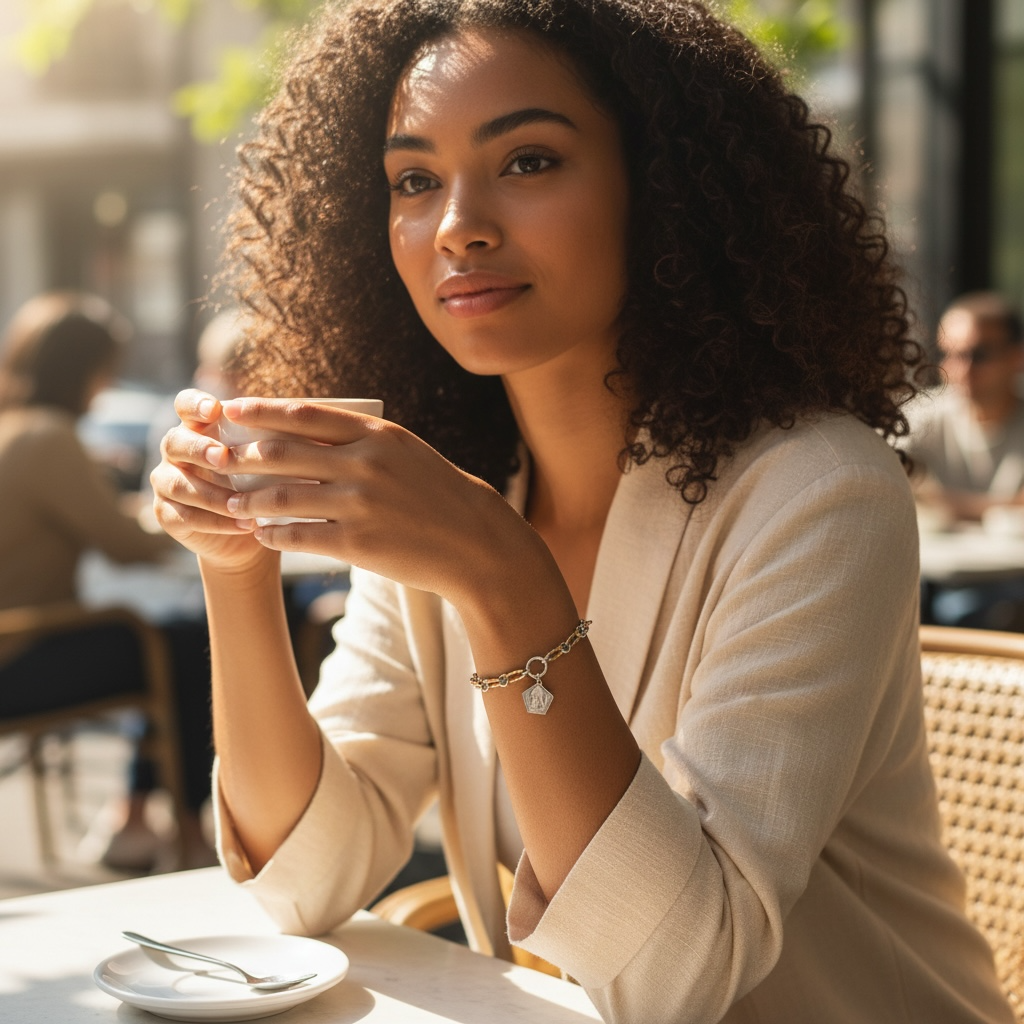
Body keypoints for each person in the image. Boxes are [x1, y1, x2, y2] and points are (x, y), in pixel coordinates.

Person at [150, 1, 1014, 1021]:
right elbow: (304, 881)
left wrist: (503, 577)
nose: (459, 224)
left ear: (661, 188)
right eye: (414, 180)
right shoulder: (457, 488)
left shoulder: (818, 489)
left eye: (527, 161)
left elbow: (677, 971)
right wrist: (236, 563)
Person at [0, 291, 214, 871]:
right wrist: (195, 514)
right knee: (186, 644)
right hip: (19, 657)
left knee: (164, 638)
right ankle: (187, 832)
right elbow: (124, 547)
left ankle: (136, 818)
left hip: (15, 647)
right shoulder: (47, 437)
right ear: (87, 370)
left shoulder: (12, 429)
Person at [904, 292, 1024, 629]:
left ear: (1017, 357)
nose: (962, 369)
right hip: (935, 576)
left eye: (979, 355)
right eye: (950, 354)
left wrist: (945, 503)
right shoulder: (923, 417)